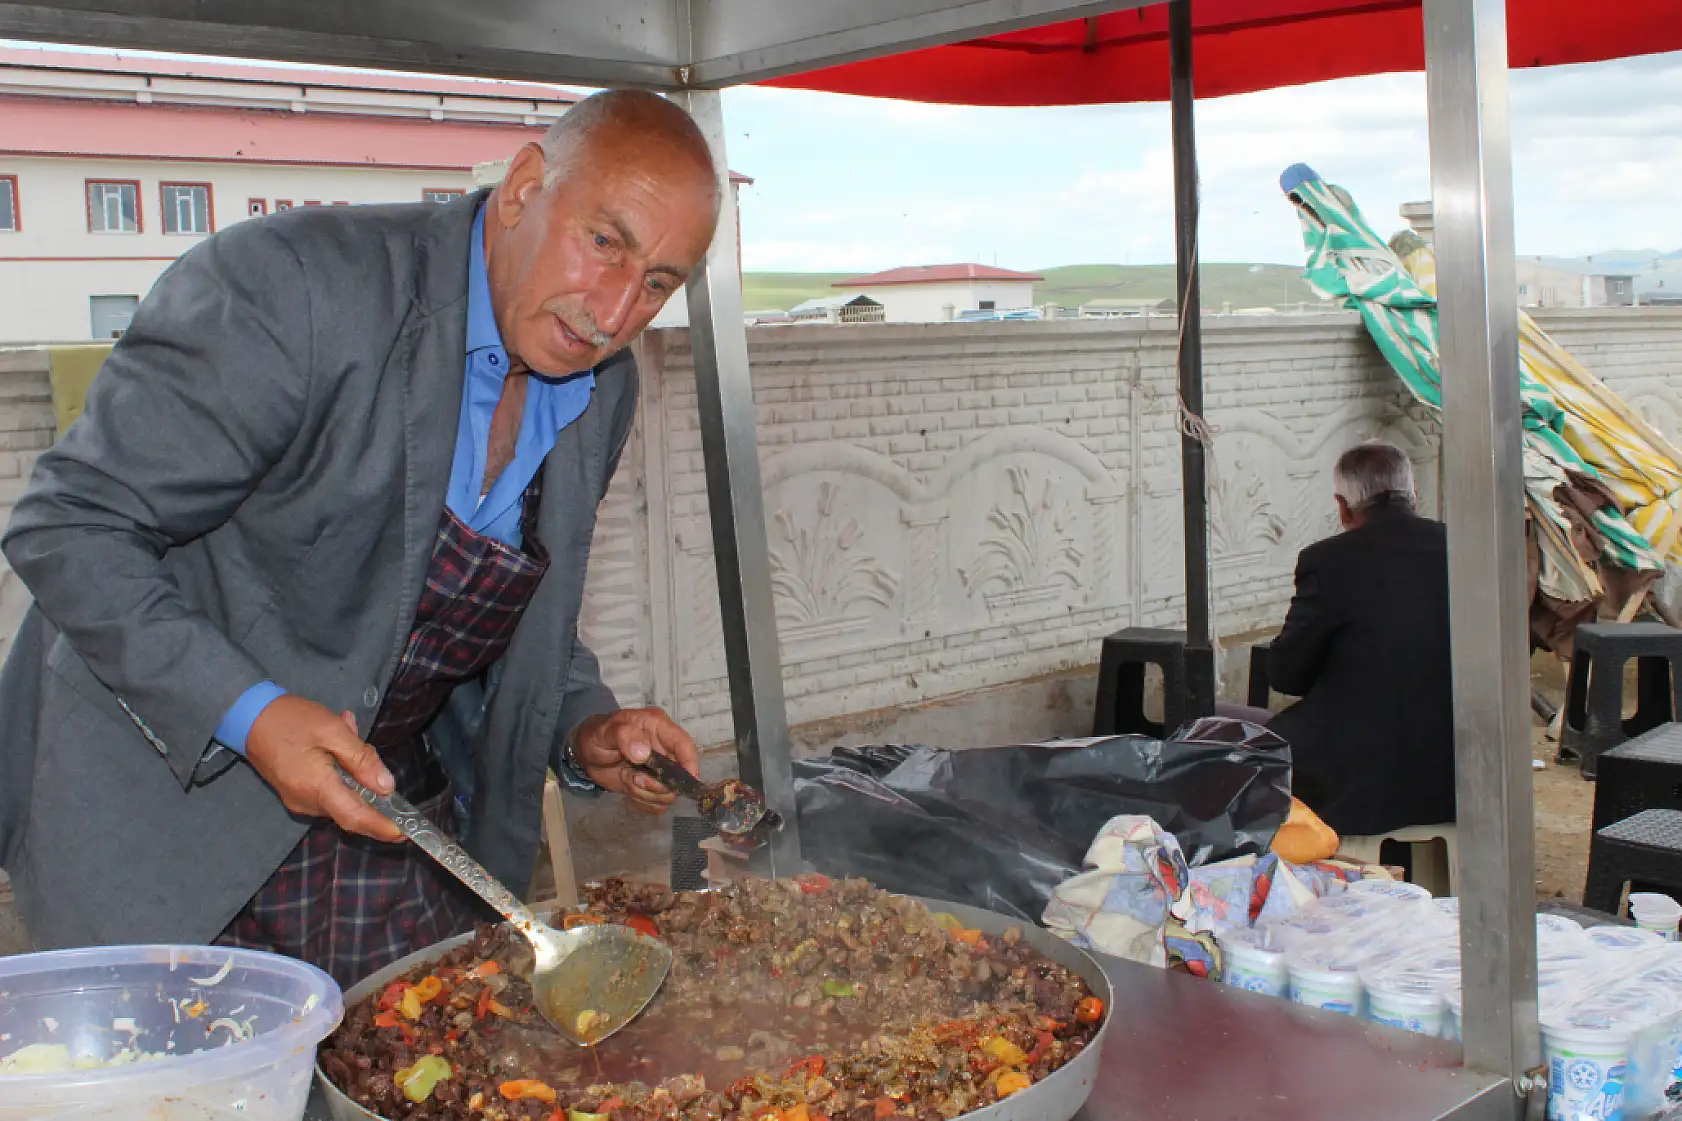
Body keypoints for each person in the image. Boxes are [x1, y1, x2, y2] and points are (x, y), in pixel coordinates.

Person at [0, 90, 719, 985]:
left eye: (657, 282)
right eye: (605, 241)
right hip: (166, 818)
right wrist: (253, 713)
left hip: (389, 818)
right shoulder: (295, 287)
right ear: (526, 186)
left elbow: (498, 606)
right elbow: (70, 522)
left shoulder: (600, 388)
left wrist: (585, 726)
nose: (614, 312)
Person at [1262, 441, 1456, 838]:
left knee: (1249, 745)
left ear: (1343, 506)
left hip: (1362, 777)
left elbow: (1287, 676)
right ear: (1413, 496)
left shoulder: (1328, 561)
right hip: (1457, 764)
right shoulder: (1464, 548)